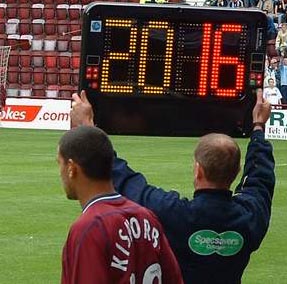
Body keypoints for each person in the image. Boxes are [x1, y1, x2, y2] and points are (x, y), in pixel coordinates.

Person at [70, 89, 275, 284]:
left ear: (198, 170)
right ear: (236, 171)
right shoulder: (250, 216)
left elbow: (122, 178)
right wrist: (258, 127)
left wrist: (89, 128)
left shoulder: (173, 213)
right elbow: (260, 178)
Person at [58, 126, 183, 284]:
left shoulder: (89, 228)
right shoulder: (147, 217)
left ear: (71, 168)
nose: (59, 172)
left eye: (59, 164)